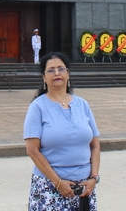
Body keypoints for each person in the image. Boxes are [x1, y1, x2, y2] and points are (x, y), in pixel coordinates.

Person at [23, 53, 101, 211]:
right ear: (44, 78)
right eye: (51, 70)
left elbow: (95, 145)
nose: (57, 73)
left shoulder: (82, 105)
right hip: (49, 188)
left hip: (84, 188)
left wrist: (94, 177)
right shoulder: (37, 107)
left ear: (68, 73)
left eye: (61, 69)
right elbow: (32, 150)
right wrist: (58, 182)